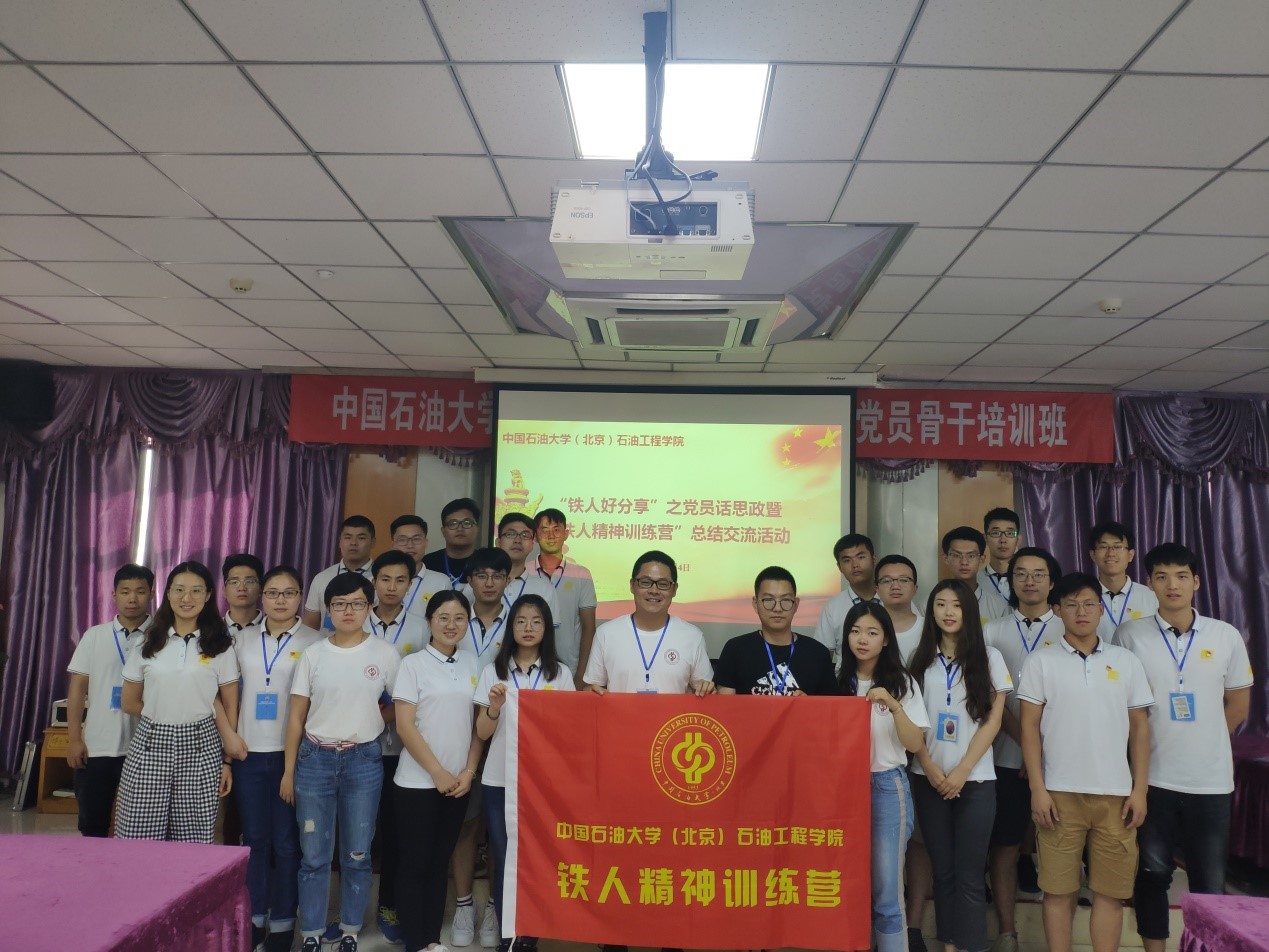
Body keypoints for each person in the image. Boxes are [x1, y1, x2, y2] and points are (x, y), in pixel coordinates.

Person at [1114, 543, 1253, 952]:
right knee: (1152, 876)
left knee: (1209, 882)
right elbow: (1122, 708)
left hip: (1210, 781)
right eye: (1161, 576)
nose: (1171, 585)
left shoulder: (1224, 635)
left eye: (1180, 576)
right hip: (1152, 780)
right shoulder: (1130, 635)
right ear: (1150, 583)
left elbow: (1238, 704)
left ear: (1196, 582)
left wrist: (1206, 740)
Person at [1020, 572, 1153, 952]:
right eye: (1072, 604)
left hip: (1116, 795)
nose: (1082, 611)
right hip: (1059, 795)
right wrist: (1037, 789)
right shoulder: (1041, 661)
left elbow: (1140, 729)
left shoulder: (1126, 661)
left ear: (1101, 609)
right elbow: (1029, 727)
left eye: (1089, 603)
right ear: (1057, 610)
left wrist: (1140, 790)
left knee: (1111, 893)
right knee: (1058, 891)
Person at [283, 572, 401, 952]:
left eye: (356, 603)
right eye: (339, 604)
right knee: (314, 856)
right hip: (314, 759)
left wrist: (373, 720)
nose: (348, 610)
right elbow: (296, 718)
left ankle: (350, 928)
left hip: (363, 761)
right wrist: (288, 771)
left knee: (357, 853)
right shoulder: (314, 654)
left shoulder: (385, 654)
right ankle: (312, 932)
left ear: (369, 607)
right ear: (329, 609)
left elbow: (401, 705)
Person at [909, 579, 1011, 952]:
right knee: (943, 870)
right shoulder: (919, 659)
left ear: (968, 610)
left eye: (956, 605)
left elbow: (994, 721)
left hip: (976, 781)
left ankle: (970, 946)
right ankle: (949, 944)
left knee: (969, 874)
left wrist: (963, 770)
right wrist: (930, 768)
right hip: (928, 779)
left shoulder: (990, 657)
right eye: (940, 604)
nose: (948, 612)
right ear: (931, 611)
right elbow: (912, 722)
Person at [475, 594, 576, 951]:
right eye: (521, 621)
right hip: (500, 780)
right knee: (504, 857)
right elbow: (482, 733)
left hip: (542, 784)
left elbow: (569, 732)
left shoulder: (559, 674)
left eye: (536, 621)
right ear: (511, 627)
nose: (528, 628)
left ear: (547, 628)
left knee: (537, 858)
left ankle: (529, 935)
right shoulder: (494, 672)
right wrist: (494, 707)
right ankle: (509, 936)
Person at [115, 560, 241, 842]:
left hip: (201, 745)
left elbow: (230, 706)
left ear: (208, 595)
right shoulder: (147, 642)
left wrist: (227, 762)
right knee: (138, 836)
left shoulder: (221, 645)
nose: (187, 598)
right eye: (179, 589)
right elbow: (129, 701)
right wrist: (165, 713)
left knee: (191, 841)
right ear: (168, 593)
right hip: (151, 743)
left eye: (196, 590)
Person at [233, 565, 322, 952]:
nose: (280, 600)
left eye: (289, 593)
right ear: (262, 597)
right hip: (249, 752)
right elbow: (227, 694)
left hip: (294, 755)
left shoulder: (316, 642)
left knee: (287, 842)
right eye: (272, 593)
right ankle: (254, 918)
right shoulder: (242, 640)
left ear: (300, 596)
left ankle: (284, 922)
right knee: (254, 840)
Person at [393, 590, 484, 952]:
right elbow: (405, 726)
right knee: (414, 864)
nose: (451, 624)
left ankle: (431, 940)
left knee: (438, 863)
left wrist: (469, 771)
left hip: (458, 783)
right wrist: (437, 772)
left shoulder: (473, 664)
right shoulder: (412, 665)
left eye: (459, 618)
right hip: (417, 782)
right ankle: (415, 942)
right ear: (429, 621)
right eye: (443, 617)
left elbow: (478, 726)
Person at [982, 547, 1063, 952]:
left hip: (1060, 760)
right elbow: (988, 699)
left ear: (1052, 581)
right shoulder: (992, 632)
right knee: (1005, 846)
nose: (1029, 581)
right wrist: (1028, 746)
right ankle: (1007, 932)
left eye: (1038, 574)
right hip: (1003, 756)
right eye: (1021, 574)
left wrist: (1042, 753)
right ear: (1010, 581)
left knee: (1059, 850)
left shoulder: (1070, 628)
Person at [838, 602, 929, 952]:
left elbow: (915, 743)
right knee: (849, 889)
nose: (862, 639)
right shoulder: (837, 679)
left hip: (886, 788)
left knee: (887, 892)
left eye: (872, 632)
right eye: (855, 631)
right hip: (842, 792)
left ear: (886, 640)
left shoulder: (902, 682)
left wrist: (893, 705)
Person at [364, 548, 429, 944]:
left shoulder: (422, 628)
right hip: (359, 744)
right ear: (373, 581)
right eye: (385, 579)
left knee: (396, 832)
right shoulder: (354, 620)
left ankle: (389, 904)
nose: (391, 587)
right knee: (360, 832)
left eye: (400, 580)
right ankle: (352, 910)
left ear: (410, 584)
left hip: (404, 750)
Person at [65, 563, 154, 837]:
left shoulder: (162, 637)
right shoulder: (95, 635)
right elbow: (77, 689)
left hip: (146, 747)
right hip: (97, 746)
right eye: (125, 591)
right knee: (92, 824)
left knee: (142, 827)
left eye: (140, 591)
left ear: (152, 594)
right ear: (114, 595)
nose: (132, 598)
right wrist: (74, 739)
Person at [454, 547, 514, 948]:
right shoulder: (454, 617)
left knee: (498, 831)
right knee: (465, 824)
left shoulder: (519, 621)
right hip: (455, 735)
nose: (489, 582)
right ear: (470, 580)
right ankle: (463, 905)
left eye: (497, 575)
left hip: (505, 738)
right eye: (481, 575)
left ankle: (494, 904)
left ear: (508, 579)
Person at [584, 550, 715, 697]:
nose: (654, 590)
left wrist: (707, 689)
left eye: (663, 584)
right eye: (645, 582)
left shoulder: (692, 637)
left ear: (674, 589)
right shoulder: (606, 633)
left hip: (673, 714)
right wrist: (591, 691)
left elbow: (706, 692)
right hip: (621, 713)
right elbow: (592, 688)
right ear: (632, 585)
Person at [714, 566, 836, 696]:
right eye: (768, 600)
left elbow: (831, 706)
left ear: (796, 604)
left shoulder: (817, 653)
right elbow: (725, 705)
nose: (777, 608)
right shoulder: (735, 650)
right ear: (755, 604)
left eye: (785, 600)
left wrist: (809, 705)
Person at [526, 508, 597, 690]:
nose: (551, 536)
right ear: (535, 536)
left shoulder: (582, 574)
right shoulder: (524, 572)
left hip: (570, 668)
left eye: (556, 530)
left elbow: (588, 628)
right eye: (544, 530)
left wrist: (581, 674)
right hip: (528, 666)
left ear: (566, 534)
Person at [462, 513, 561, 631]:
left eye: (525, 535)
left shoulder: (545, 588)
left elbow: (550, 635)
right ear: (498, 542)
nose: (517, 540)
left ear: (532, 545)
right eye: (510, 534)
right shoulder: (474, 586)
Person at [812, 533, 881, 668]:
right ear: (839, 567)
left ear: (873, 559)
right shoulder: (833, 607)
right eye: (847, 560)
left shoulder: (892, 600)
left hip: (889, 679)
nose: (855, 565)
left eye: (861, 557)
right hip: (845, 680)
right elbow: (821, 655)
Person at [302, 515, 376, 631]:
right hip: (328, 641)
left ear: (373, 542)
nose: (353, 543)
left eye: (361, 538)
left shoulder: (383, 579)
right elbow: (310, 625)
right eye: (348, 537)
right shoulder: (322, 578)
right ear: (339, 541)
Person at [1088, 520, 1158, 642]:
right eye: (1103, 547)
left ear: (1130, 555)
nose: (1111, 553)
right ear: (1093, 555)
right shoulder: (1083, 598)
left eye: (1118, 547)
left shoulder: (1152, 597)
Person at [389, 514, 453, 621]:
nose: (410, 545)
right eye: (403, 540)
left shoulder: (441, 582)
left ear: (426, 543)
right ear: (393, 544)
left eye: (416, 539)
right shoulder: (378, 581)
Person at [942, 526, 1009, 625]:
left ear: (982, 559)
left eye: (971, 556)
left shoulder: (1000, 607)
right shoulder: (930, 604)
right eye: (956, 555)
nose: (964, 562)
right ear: (946, 559)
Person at [874, 554, 923, 663]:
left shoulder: (929, 628)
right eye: (887, 581)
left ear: (915, 588)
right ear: (877, 589)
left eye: (904, 580)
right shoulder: (867, 629)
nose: (895, 587)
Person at [424, 497, 482, 587]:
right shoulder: (427, 564)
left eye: (467, 523)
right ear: (443, 531)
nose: (460, 528)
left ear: (477, 529)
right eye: (453, 524)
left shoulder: (487, 563)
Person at [978, 508, 1022, 604]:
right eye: (996, 533)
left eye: (1010, 533)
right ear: (985, 538)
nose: (1003, 540)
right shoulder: (975, 581)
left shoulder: (1027, 581)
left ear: (1018, 540)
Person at [223, 553, 265, 632]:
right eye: (234, 582)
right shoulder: (210, 631)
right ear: (224, 590)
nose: (242, 588)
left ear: (261, 589)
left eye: (249, 581)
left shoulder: (272, 628)